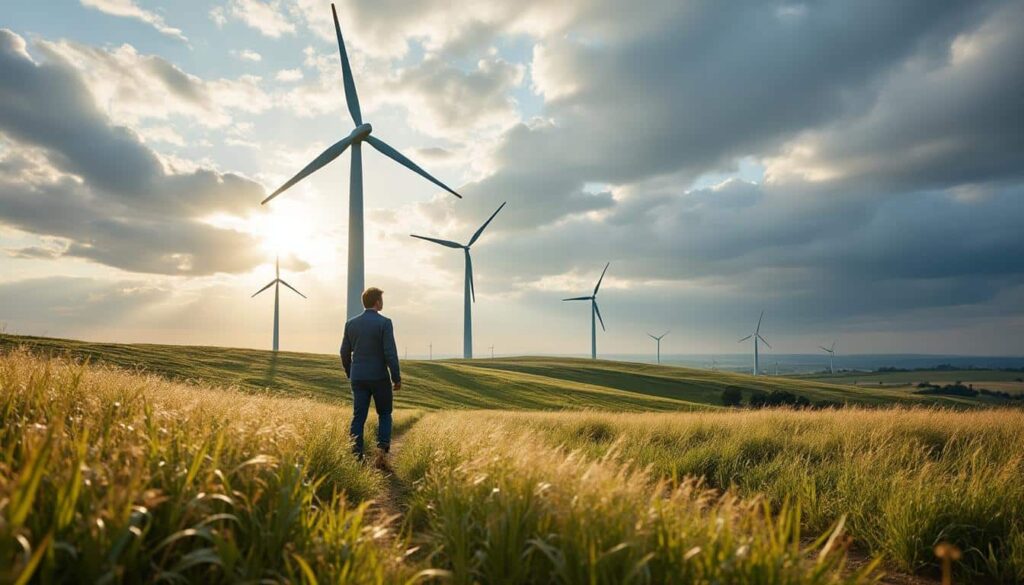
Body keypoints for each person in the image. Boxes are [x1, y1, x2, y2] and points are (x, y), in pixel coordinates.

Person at [340, 287, 401, 469]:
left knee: (358, 416)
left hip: (358, 377)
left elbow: (344, 352)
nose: (382, 302)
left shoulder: (350, 324)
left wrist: (350, 372)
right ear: (377, 302)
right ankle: (381, 454)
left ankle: (356, 456)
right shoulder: (385, 323)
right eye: (381, 299)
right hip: (379, 377)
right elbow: (390, 353)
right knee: (384, 414)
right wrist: (396, 378)